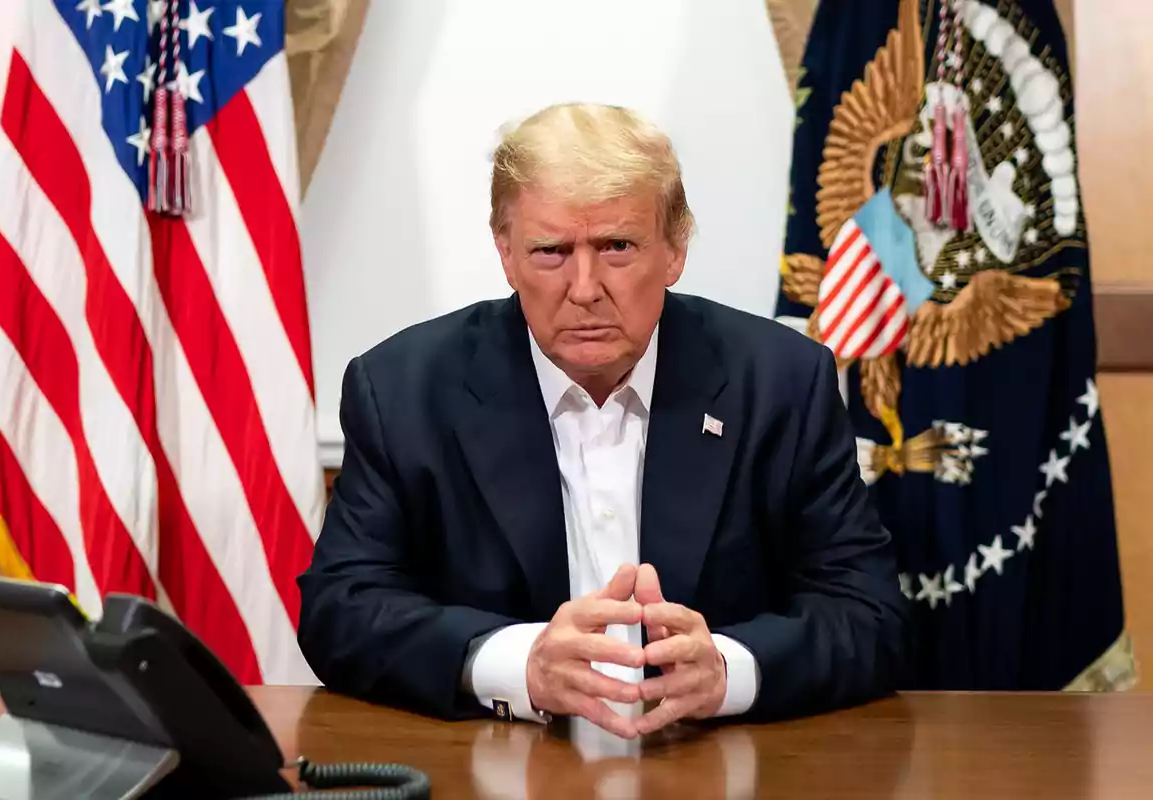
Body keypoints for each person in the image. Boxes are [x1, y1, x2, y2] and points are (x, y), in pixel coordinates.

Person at [297, 102, 909, 739]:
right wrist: (517, 664)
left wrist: (727, 670)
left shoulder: (781, 382)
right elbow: (341, 611)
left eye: (617, 246)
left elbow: (868, 615)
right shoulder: (404, 389)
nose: (584, 287)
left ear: (675, 248)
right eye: (551, 251)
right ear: (505, 252)